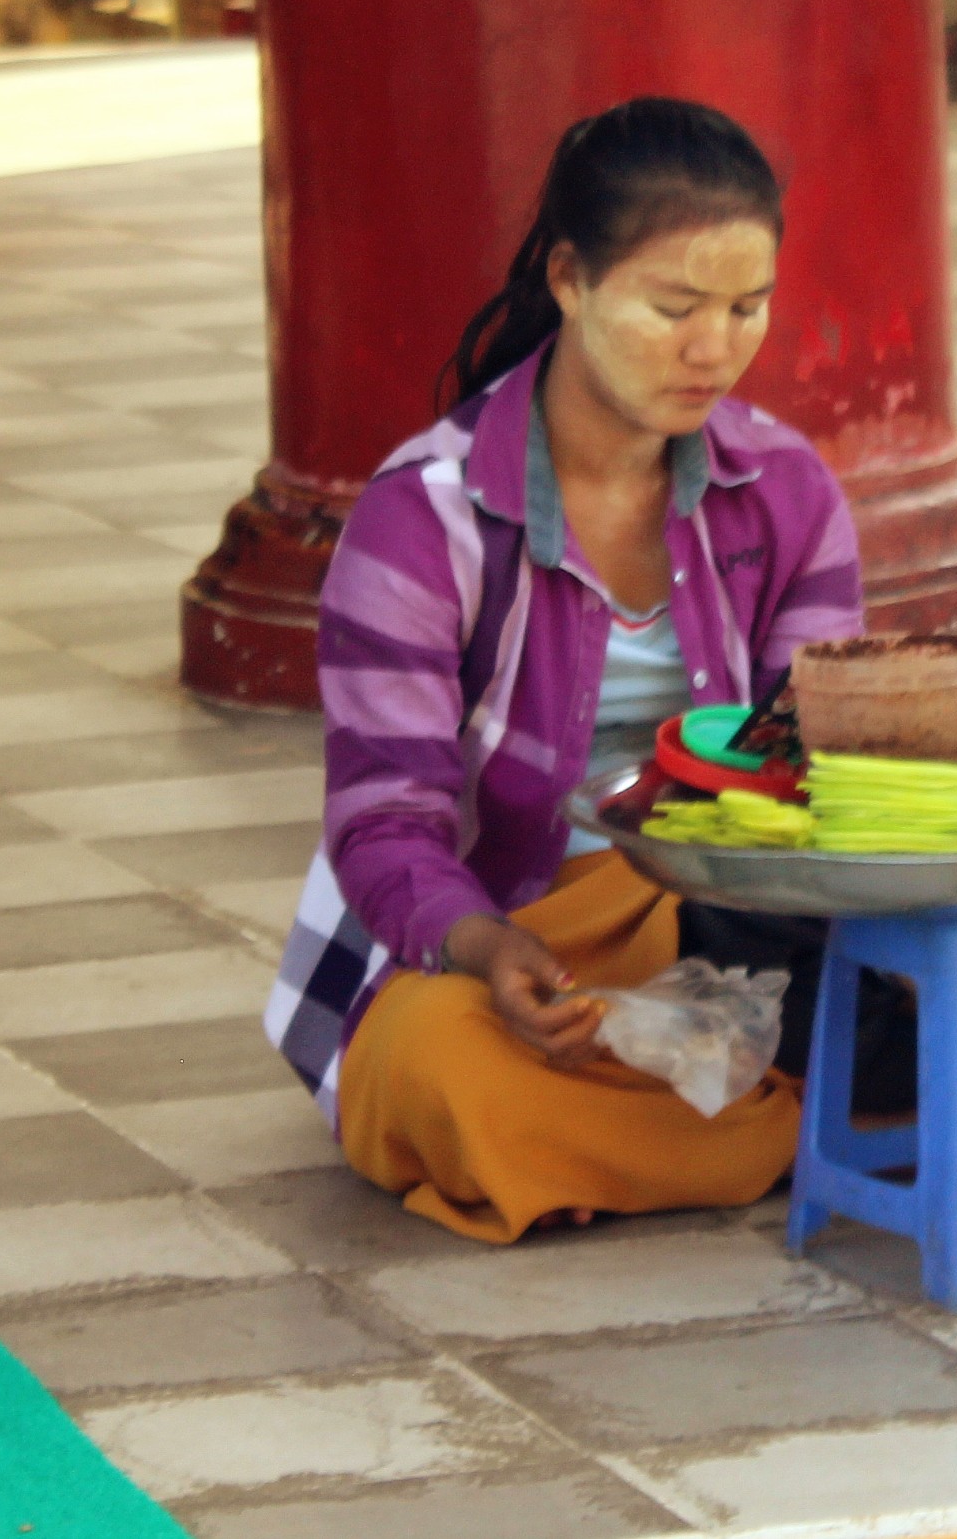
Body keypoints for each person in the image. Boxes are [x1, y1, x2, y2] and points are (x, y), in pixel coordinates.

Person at [264, 98, 867, 1243]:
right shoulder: (422, 519)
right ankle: (828, 1117)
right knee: (445, 1070)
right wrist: (490, 949)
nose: (713, 348)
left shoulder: (786, 493)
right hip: (505, 936)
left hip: (716, 916)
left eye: (748, 307)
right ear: (569, 279)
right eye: (672, 307)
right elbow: (384, 820)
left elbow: (814, 770)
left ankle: (781, 1101)